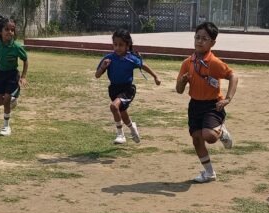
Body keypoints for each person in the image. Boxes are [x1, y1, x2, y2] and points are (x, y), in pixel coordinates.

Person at [175, 22, 238, 184]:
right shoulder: (187, 63)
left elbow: (233, 76)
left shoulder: (214, 63)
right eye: (197, 37)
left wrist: (227, 99)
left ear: (212, 43)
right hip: (195, 105)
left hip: (213, 105)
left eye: (204, 39)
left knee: (209, 136)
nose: (199, 41)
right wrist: (182, 81)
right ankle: (209, 173)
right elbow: (179, 90)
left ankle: (221, 132)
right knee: (197, 139)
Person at [95, 28, 162, 144]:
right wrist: (103, 67)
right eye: (115, 44)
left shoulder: (131, 59)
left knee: (113, 106)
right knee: (123, 114)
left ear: (127, 45)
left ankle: (120, 135)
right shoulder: (109, 59)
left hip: (127, 89)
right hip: (113, 90)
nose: (117, 47)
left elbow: (143, 65)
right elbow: (97, 75)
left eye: (121, 45)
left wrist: (155, 76)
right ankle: (132, 128)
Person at [0, 14, 28, 136]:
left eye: (12, 30)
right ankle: (12, 101)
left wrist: (23, 77)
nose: (10, 32)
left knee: (6, 98)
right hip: (0, 75)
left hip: (12, 76)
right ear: (0, 31)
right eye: (7, 29)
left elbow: (25, 60)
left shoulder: (16, 47)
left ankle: (6, 126)